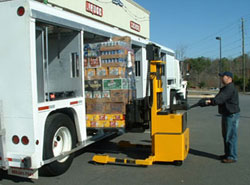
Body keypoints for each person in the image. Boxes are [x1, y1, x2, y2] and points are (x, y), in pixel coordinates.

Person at [206, 71, 240, 163]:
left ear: (229, 78)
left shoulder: (230, 88)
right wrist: (210, 101)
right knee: (226, 136)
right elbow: (219, 98)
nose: (221, 78)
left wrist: (210, 102)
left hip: (231, 115)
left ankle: (232, 156)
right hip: (226, 113)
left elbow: (220, 99)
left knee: (231, 136)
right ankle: (228, 154)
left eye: (223, 77)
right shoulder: (226, 88)